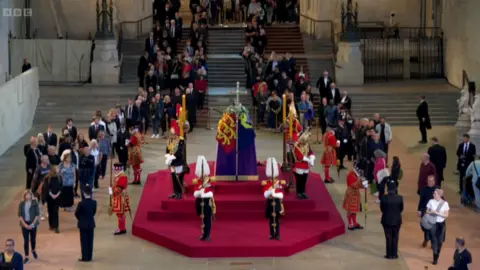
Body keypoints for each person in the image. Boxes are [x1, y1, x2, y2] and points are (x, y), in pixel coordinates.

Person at [192, 156, 216, 241]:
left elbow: (211, 193)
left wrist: (204, 194)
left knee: (207, 220)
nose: (203, 175)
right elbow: (195, 193)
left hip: (206, 202)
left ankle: (207, 234)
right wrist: (199, 192)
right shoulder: (197, 181)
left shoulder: (210, 181)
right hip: (199, 202)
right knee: (203, 219)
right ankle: (203, 234)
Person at [262, 157, 286, 240]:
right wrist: (270, 192)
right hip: (270, 202)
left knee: (277, 220)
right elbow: (265, 194)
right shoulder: (266, 183)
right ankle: (272, 234)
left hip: (277, 202)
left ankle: (278, 234)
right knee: (271, 220)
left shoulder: (278, 182)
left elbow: (282, 195)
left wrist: (274, 193)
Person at [380, 180, 403, 260]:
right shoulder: (400, 198)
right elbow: (401, 209)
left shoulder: (383, 198)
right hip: (397, 220)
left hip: (386, 220)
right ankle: (394, 254)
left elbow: (382, 209)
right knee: (395, 237)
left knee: (388, 237)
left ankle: (389, 254)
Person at [426, 188, 449, 265]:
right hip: (433, 223)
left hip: (441, 224)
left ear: (439, 195)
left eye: (435, 194)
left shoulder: (445, 203)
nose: (433, 195)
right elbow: (427, 211)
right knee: (434, 240)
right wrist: (431, 212)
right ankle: (435, 255)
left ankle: (437, 252)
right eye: (434, 194)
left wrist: (438, 213)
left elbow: (446, 215)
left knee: (440, 241)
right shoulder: (431, 201)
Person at [165, 119, 186, 199]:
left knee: (178, 178)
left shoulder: (180, 140)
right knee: (173, 177)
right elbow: (167, 149)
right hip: (171, 162)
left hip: (178, 162)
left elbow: (179, 152)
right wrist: (167, 158)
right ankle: (175, 192)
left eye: (173, 131)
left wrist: (171, 158)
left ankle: (179, 193)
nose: (172, 133)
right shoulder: (170, 139)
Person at [75, 185, 97, 262]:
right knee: (90, 240)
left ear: (84, 193)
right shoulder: (94, 203)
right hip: (91, 223)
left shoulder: (81, 203)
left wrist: (80, 219)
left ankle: (85, 257)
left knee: (84, 241)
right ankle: (90, 256)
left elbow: (77, 213)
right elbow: (94, 212)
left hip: (83, 224)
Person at [17, 190, 40, 264]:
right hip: (24, 224)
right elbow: (20, 215)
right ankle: (26, 256)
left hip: (33, 224)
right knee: (26, 240)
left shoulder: (35, 203)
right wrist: (25, 225)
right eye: (26, 195)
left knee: (33, 239)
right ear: (24, 196)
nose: (28, 196)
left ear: (31, 195)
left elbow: (37, 214)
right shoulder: (21, 203)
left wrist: (32, 224)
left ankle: (33, 250)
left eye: (29, 195)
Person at [343, 165, 368, 230]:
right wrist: (363, 184)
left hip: (355, 193)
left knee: (354, 209)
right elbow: (354, 185)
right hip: (351, 194)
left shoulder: (354, 174)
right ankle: (350, 224)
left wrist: (363, 182)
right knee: (350, 209)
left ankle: (354, 222)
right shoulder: (351, 175)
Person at [293, 130, 315, 199]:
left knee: (304, 180)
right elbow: (300, 157)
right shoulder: (297, 146)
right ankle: (298, 192)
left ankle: (303, 192)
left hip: (306, 166)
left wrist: (312, 158)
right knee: (299, 180)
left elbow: (310, 152)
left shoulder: (307, 144)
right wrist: (308, 160)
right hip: (299, 165)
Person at [110, 164, 131, 235]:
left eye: (115, 169)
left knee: (120, 214)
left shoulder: (122, 177)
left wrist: (112, 190)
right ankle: (122, 228)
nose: (114, 171)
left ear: (118, 169)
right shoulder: (119, 176)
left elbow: (119, 189)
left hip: (120, 197)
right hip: (118, 197)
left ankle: (121, 228)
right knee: (120, 214)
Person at [417, 175, 436, 247]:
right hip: (425, 210)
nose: (430, 182)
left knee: (433, 227)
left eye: (431, 181)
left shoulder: (437, 190)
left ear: (434, 182)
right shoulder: (424, 189)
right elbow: (421, 201)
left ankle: (432, 242)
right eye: (429, 181)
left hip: (434, 212)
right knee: (425, 226)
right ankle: (426, 238)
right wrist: (419, 210)